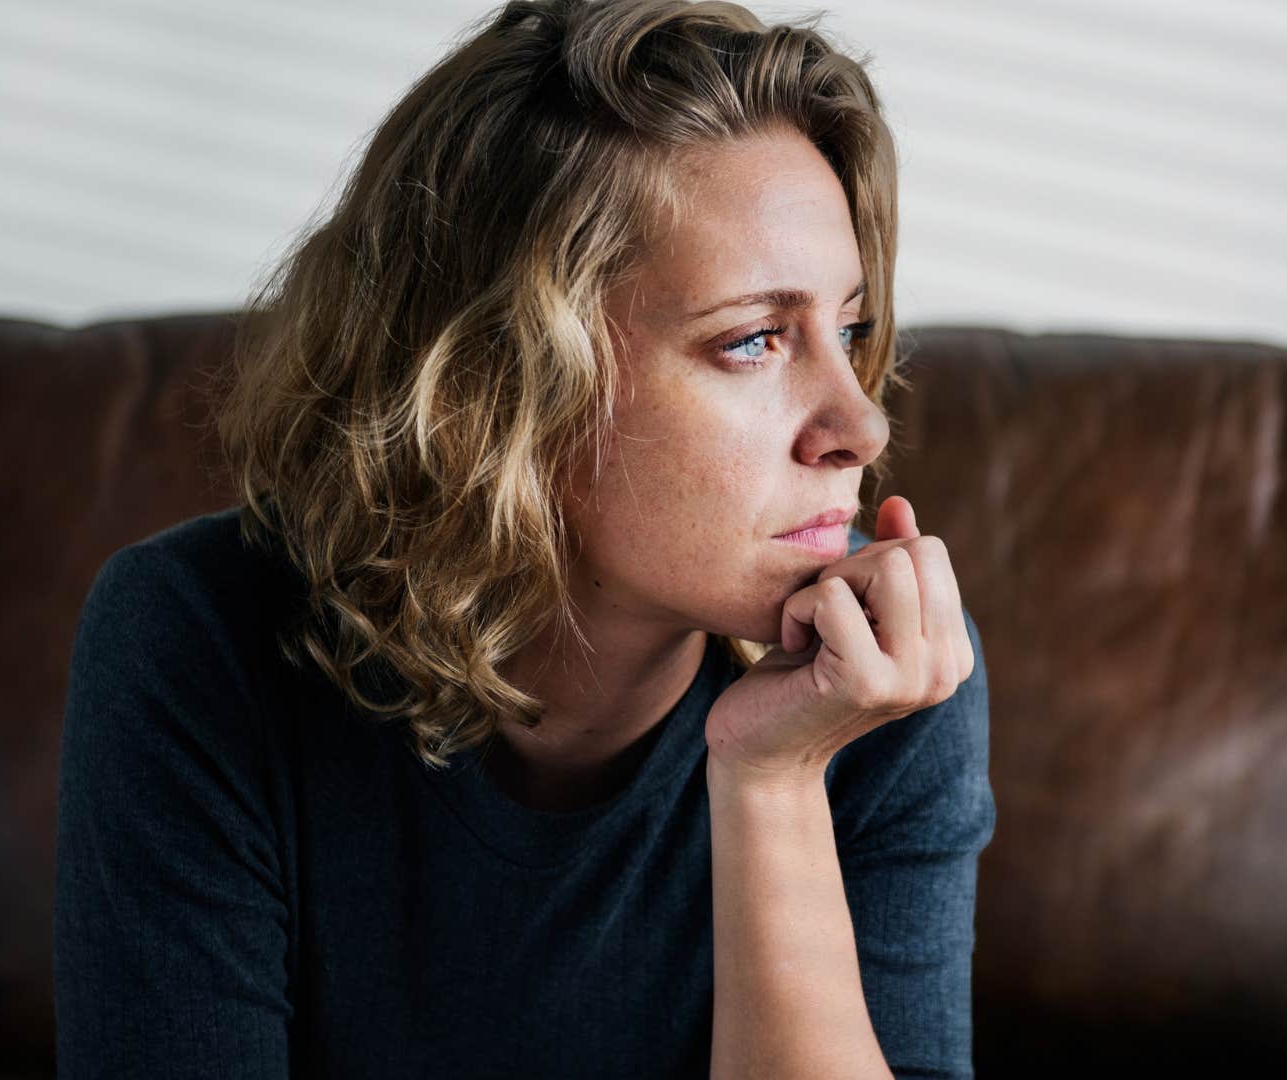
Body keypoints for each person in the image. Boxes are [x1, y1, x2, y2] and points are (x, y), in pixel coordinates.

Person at [52, 0, 994, 1076]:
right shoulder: (197, 640)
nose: (862, 425)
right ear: (499, 384)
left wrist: (773, 782)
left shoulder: (884, 678)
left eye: (852, 328)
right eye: (751, 340)